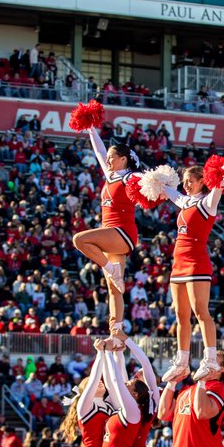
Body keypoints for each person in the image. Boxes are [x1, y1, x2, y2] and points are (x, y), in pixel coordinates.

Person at [160, 165, 224, 379]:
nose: (186, 184)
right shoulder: (184, 202)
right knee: (181, 315)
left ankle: (211, 360)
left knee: (200, 312)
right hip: (178, 264)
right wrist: (152, 178)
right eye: (184, 181)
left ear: (202, 182)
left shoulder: (208, 203)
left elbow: (219, 184)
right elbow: (170, 191)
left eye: (191, 181)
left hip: (197, 263)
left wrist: (223, 173)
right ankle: (182, 362)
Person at [72, 126, 140, 324]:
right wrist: (91, 128)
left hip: (122, 233)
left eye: (112, 157)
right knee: (114, 287)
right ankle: (116, 331)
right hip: (109, 233)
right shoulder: (111, 176)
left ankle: (111, 268)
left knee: (79, 240)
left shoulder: (132, 177)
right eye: (108, 158)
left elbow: (154, 181)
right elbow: (100, 152)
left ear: (123, 159)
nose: (108, 160)